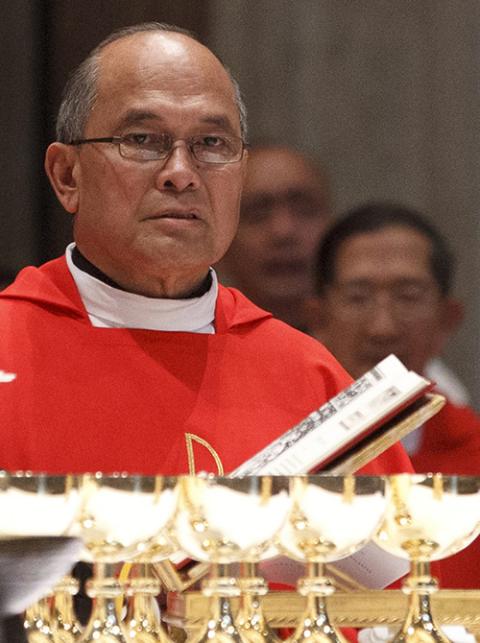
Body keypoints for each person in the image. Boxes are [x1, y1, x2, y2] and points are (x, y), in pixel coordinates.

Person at [0, 23, 410, 478]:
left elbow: (401, 542)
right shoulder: (8, 347)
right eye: (141, 140)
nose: (181, 173)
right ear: (67, 176)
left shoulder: (309, 378)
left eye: (211, 144)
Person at [308, 201, 480, 588]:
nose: (382, 328)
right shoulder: (275, 466)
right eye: (358, 296)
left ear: (447, 319)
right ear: (318, 318)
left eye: (408, 295)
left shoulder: (474, 452)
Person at [218, 144, 332, 330]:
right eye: (257, 214)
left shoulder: (380, 344)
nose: (283, 232)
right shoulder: (191, 346)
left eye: (304, 210)